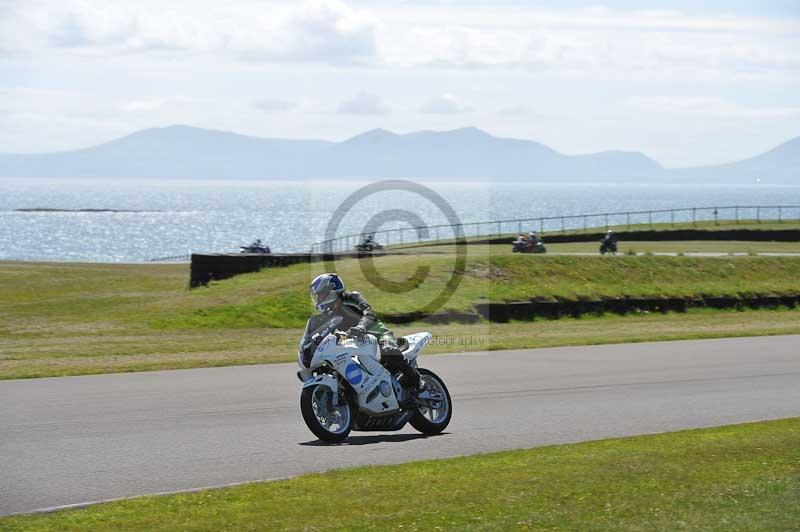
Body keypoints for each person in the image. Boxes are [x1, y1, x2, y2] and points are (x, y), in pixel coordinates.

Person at [309, 273, 421, 392]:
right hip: (354, 344)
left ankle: (417, 381)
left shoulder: (353, 298)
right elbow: (324, 331)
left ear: (331, 291)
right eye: (317, 297)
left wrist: (361, 327)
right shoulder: (329, 313)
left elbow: (369, 313)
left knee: (389, 350)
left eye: (321, 295)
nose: (319, 300)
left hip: (378, 335)